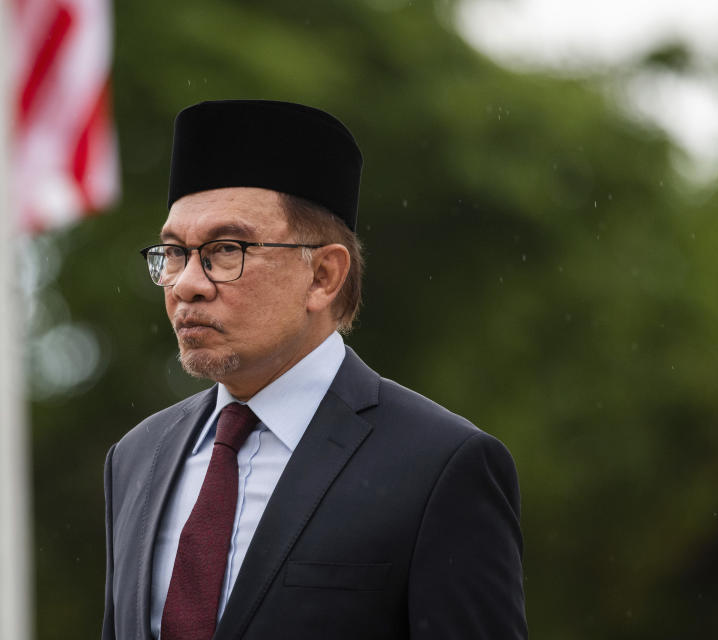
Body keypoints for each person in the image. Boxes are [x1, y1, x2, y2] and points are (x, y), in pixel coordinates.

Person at [101, 100, 527, 640]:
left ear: (323, 275)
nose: (187, 283)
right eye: (175, 252)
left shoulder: (439, 466)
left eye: (225, 250)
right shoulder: (137, 457)